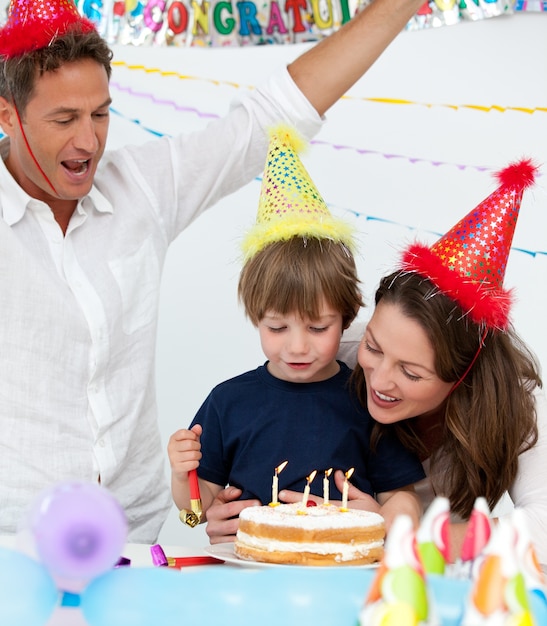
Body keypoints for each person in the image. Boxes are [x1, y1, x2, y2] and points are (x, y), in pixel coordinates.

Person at [0, 0, 426, 542]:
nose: (89, 141)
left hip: (130, 539)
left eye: (100, 113)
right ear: (8, 114)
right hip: (12, 540)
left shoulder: (140, 189)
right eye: (64, 119)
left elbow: (272, 114)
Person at [284, 158, 547, 567]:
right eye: (374, 347)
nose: (380, 379)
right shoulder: (338, 351)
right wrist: (223, 505)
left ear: (463, 376)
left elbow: (544, 527)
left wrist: (396, 531)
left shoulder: (518, 402)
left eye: (410, 372)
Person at [167, 126, 425, 522]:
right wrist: (183, 471)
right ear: (256, 317)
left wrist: (382, 522)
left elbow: (403, 499)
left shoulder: (366, 401)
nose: (298, 346)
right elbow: (196, 511)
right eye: (277, 328)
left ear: (347, 316)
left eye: (318, 328)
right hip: (249, 571)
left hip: (341, 572)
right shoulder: (227, 402)